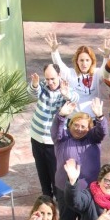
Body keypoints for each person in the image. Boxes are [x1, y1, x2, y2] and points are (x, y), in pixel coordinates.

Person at [51, 97, 107, 220]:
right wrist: (61, 115)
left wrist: (100, 117)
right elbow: (56, 129)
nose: (79, 129)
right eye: (76, 125)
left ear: (89, 128)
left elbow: (102, 131)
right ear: (70, 124)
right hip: (65, 189)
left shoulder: (93, 139)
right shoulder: (62, 138)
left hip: (88, 191)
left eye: (83, 126)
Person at [28, 63, 79, 198]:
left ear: (59, 75)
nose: (50, 82)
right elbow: (33, 93)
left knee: (55, 172)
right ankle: (46, 197)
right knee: (41, 170)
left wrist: (65, 93)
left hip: (53, 141)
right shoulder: (43, 88)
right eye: (47, 79)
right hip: (37, 137)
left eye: (53, 79)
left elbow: (75, 98)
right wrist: (34, 84)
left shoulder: (65, 89)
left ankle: (58, 200)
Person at [45, 33, 105, 116]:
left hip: (93, 118)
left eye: (87, 60)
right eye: (81, 60)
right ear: (77, 61)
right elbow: (59, 64)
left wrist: (106, 57)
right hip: (74, 118)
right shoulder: (70, 73)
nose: (84, 63)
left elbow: (106, 71)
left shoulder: (97, 73)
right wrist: (54, 51)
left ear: (92, 61)